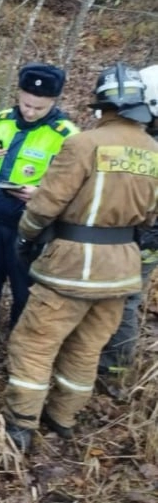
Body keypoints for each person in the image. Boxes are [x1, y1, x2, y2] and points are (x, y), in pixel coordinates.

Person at [4, 63, 158, 452]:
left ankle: (21, 424)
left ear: (102, 107)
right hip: (122, 269)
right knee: (86, 348)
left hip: (73, 266)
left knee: (34, 344)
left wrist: (25, 238)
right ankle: (63, 419)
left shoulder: (83, 144)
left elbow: (44, 206)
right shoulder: (154, 152)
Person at [0, 63, 77, 356]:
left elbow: (77, 185)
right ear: (18, 94)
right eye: (26, 104)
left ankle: (20, 350)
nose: (30, 111)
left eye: (39, 107)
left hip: (32, 224)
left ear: (54, 102)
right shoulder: (1, 120)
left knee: (26, 290)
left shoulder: (67, 135)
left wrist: (42, 194)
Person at [96, 63, 158, 391]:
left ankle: (113, 369)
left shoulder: (151, 146)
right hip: (139, 235)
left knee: (125, 299)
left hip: (143, 238)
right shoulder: (147, 140)